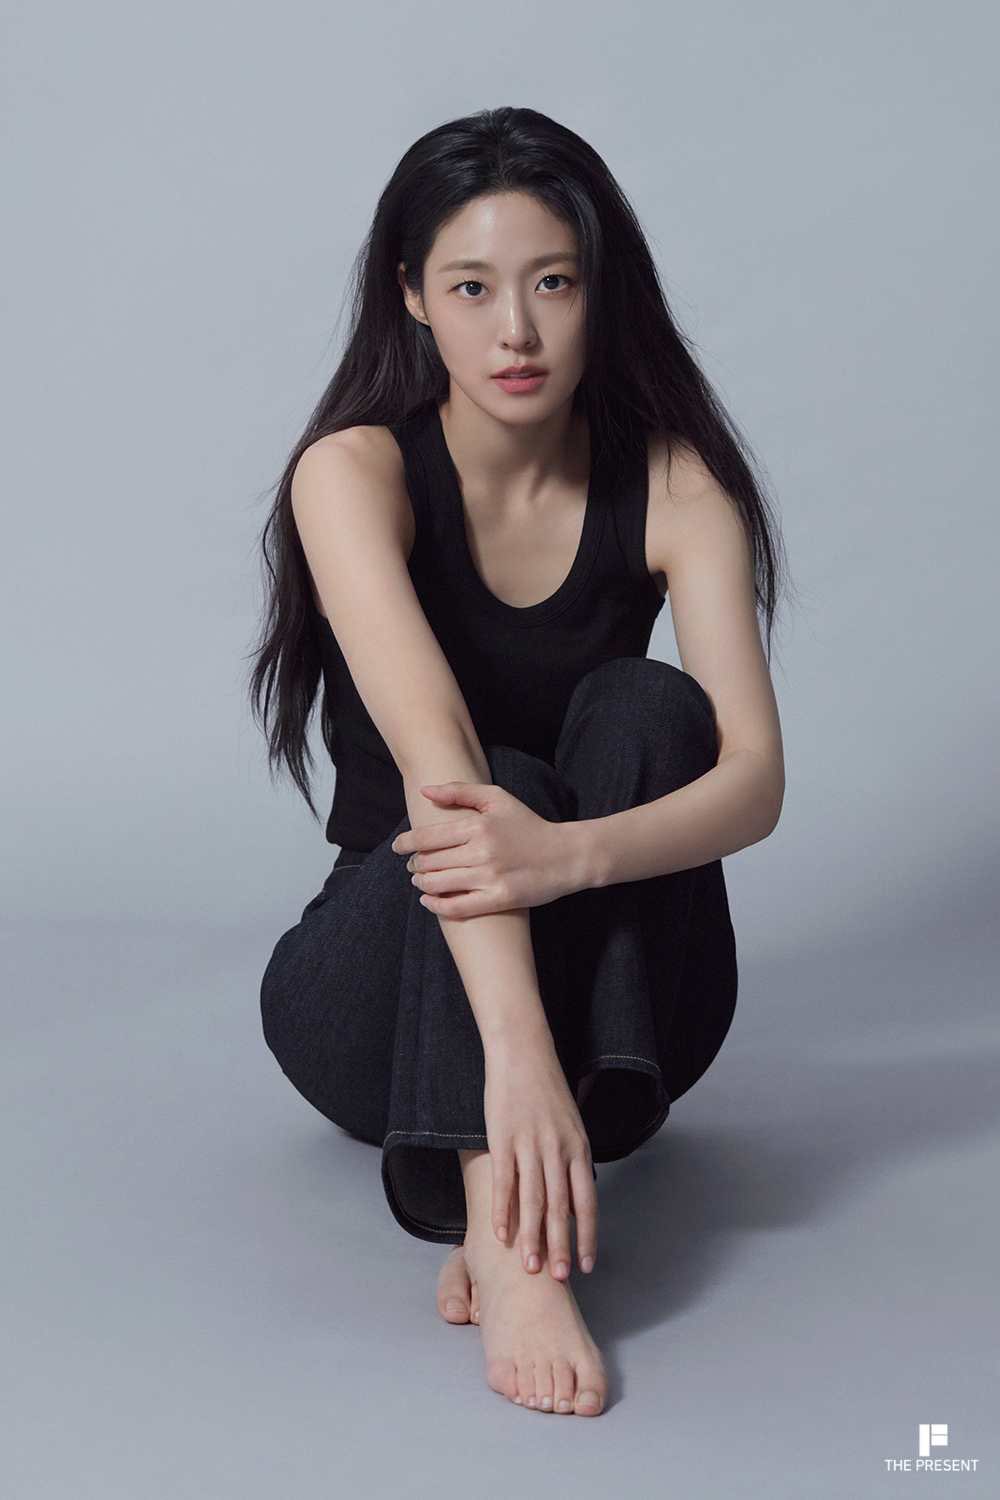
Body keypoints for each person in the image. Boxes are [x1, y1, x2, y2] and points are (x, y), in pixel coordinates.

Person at [247, 105, 789, 1419]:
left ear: (603, 288)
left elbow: (754, 782)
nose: (517, 334)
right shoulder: (352, 474)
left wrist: (566, 858)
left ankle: (522, 1180)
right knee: (493, 777)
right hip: (377, 1001)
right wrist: (519, 1069)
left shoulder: (676, 482)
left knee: (649, 706)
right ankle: (509, 1218)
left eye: (553, 283)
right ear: (411, 297)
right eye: (472, 288)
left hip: (633, 1023)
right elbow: (442, 776)